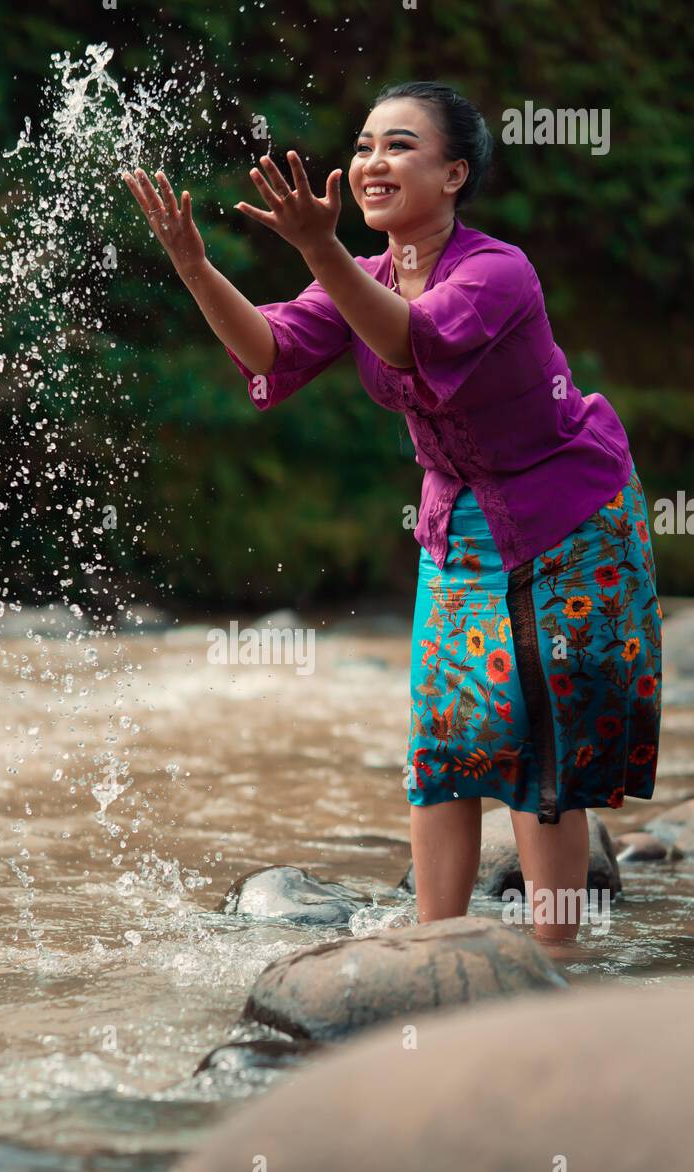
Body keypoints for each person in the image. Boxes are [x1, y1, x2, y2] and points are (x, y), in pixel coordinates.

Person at [122, 80, 662, 943]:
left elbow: (408, 338)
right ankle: (429, 951)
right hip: (457, 525)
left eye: (400, 146)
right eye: (366, 143)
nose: (373, 161)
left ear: (454, 175)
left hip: (568, 519)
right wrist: (194, 265)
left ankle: (558, 966)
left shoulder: (497, 272)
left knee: (541, 751)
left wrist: (320, 250)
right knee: (445, 744)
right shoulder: (363, 275)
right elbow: (268, 349)